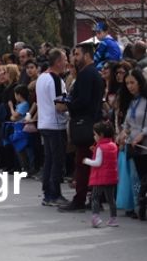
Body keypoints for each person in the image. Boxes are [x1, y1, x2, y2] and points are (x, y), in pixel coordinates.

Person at [59, 43, 104, 212]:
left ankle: (80, 200)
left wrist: (68, 105)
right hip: (92, 123)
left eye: (77, 55)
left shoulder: (86, 74)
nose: (74, 58)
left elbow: (84, 100)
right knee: (91, 164)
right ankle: (94, 200)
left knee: (83, 163)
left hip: (86, 125)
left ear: (86, 55)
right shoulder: (92, 73)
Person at [36, 48, 70, 207]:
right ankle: (54, 194)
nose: (66, 63)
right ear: (57, 62)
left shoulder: (41, 78)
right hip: (55, 124)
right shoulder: (56, 80)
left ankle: (47, 192)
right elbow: (59, 105)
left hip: (44, 123)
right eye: (64, 60)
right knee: (57, 160)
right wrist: (72, 108)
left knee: (49, 159)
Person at [117, 68, 147, 220]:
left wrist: (142, 134)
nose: (129, 86)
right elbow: (127, 124)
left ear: (140, 82)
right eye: (127, 83)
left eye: (132, 83)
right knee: (137, 178)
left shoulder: (145, 100)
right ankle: (139, 206)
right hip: (133, 147)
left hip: (143, 144)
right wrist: (123, 133)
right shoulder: (131, 102)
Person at [83, 121, 119, 228]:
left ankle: (96, 218)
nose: (94, 137)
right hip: (111, 177)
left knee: (95, 197)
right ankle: (113, 218)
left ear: (101, 135)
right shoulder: (113, 145)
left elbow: (98, 163)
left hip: (100, 178)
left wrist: (87, 161)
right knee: (111, 199)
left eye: (95, 134)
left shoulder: (100, 147)